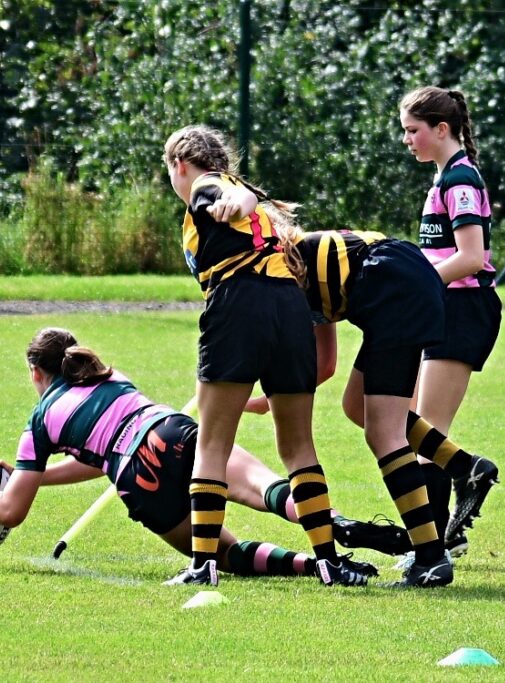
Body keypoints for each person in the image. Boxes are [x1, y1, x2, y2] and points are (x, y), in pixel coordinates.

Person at [0, 327, 385, 582]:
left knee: (222, 553)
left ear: (35, 372)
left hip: (139, 479)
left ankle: (311, 567)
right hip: (169, 430)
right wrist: (37, 477)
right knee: (267, 489)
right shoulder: (108, 375)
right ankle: (334, 524)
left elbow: (10, 511)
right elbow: (99, 457)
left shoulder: (41, 420)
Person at [163, 124, 372, 587]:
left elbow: (226, 194)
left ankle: (202, 566)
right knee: (297, 445)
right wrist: (242, 200)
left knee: (212, 443)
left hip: (240, 304)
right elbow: (242, 195)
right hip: (289, 307)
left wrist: (233, 201)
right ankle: (329, 562)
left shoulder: (207, 185)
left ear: (179, 164)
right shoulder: (247, 200)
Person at [262, 226, 498, 587]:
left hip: (394, 287)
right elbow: (324, 363)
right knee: (356, 405)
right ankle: (464, 466)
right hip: (403, 276)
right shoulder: (300, 259)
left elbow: (307, 359)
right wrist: (267, 400)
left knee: (383, 433)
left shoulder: (277, 271)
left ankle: (431, 560)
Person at [398, 86, 502, 555]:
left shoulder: (459, 180)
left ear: (442, 129)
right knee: (413, 427)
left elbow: (471, 257)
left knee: (427, 430)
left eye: (413, 130)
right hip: (445, 308)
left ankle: (432, 548)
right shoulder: (445, 176)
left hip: (463, 310)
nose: (407, 140)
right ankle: (461, 485)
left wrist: (419, 284)